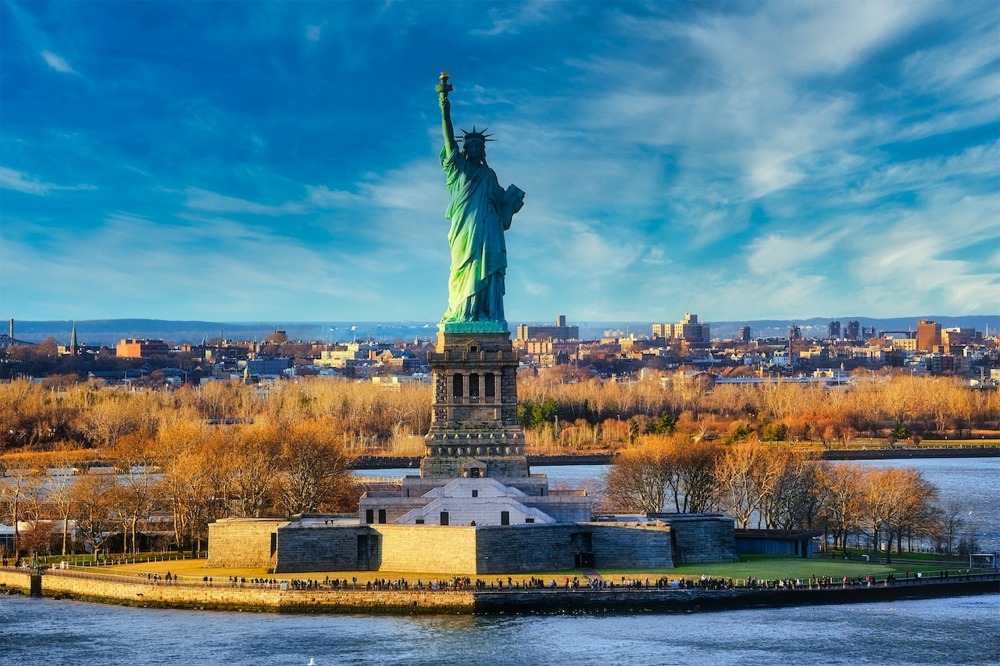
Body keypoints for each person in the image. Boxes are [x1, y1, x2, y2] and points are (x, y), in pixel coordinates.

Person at [436, 71, 524, 324]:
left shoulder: (489, 174)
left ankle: (486, 313)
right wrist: (444, 103)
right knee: (465, 269)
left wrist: (511, 203)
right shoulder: (458, 170)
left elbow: (501, 207)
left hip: (490, 231)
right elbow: (448, 136)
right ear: (464, 149)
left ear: (483, 150)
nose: (475, 149)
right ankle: (464, 313)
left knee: (488, 270)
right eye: (471, 146)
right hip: (466, 231)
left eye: (479, 146)